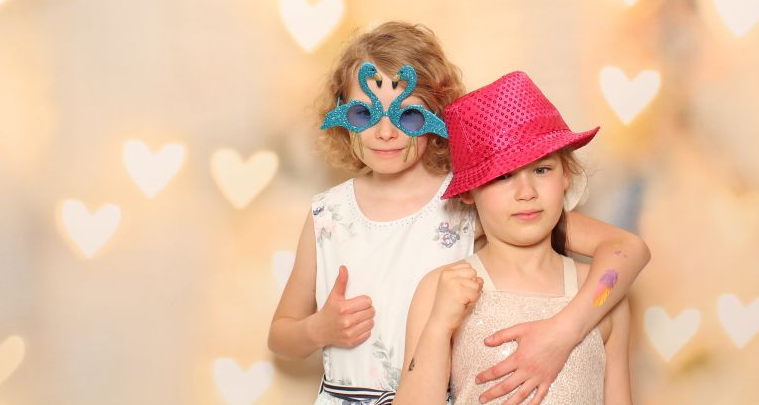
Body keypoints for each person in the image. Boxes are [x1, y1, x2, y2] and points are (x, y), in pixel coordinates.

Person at [268, 23, 650, 404]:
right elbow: (280, 335)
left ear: (438, 115)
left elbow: (626, 249)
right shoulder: (328, 215)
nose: (385, 132)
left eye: (408, 116)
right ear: (341, 112)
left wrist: (568, 328)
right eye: (363, 113)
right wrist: (318, 330)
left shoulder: (473, 199)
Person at [396, 71, 640, 405]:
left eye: (542, 170)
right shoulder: (441, 288)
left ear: (566, 176)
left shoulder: (601, 292)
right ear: (468, 192)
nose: (526, 192)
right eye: (503, 176)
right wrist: (438, 327)